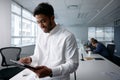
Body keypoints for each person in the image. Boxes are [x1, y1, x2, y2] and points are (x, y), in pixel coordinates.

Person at [19, 2, 79, 80]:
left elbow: (73, 64)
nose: (41, 26)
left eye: (43, 21)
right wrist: (30, 59)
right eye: (38, 22)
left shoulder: (67, 36)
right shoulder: (40, 35)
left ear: (52, 18)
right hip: (38, 77)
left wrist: (51, 71)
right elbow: (37, 56)